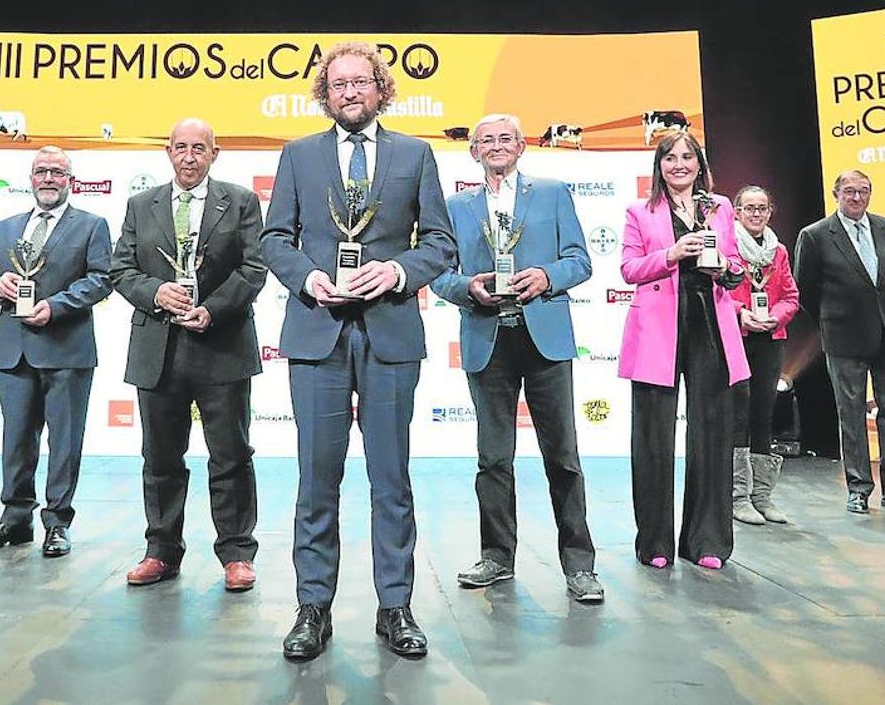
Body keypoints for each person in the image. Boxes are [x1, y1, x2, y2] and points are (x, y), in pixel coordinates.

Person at [260, 41, 455, 659]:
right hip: (317, 332)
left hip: (390, 334)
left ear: (380, 89)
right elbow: (274, 238)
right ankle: (313, 608)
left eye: (361, 82)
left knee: (390, 479)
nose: (349, 92)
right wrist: (305, 277)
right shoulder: (297, 156)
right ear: (325, 93)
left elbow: (441, 243)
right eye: (338, 84)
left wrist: (397, 272)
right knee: (317, 478)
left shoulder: (416, 155)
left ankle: (394, 607)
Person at [430, 113, 602, 602]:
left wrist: (547, 277)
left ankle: (579, 564)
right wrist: (468, 288)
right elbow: (439, 273)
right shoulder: (455, 205)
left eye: (506, 138)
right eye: (487, 140)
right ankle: (497, 557)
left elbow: (581, 261)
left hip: (544, 335)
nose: (497, 146)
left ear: (522, 146)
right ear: (474, 152)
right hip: (488, 339)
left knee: (563, 457)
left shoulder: (551, 193)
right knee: (493, 458)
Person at [109, 118, 266, 592]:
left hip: (221, 345)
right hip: (158, 348)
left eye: (200, 148)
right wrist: (157, 293)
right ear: (168, 152)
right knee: (159, 456)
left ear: (214, 153)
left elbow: (254, 267)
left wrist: (212, 310)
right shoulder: (141, 204)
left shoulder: (240, 200)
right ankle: (161, 550)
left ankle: (237, 553)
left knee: (231, 454)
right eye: (181, 147)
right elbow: (121, 269)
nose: (190, 156)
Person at [0, 146, 114, 557]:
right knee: (15, 439)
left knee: (65, 443)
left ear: (71, 180)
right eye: (40, 171)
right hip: (13, 350)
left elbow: (103, 279)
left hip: (66, 349)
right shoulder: (5, 227)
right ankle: (15, 519)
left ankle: (57, 523)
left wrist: (57, 306)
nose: (48, 178)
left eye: (57, 172)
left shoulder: (92, 225)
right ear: (30, 178)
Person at [617, 132, 749, 570]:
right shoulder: (641, 211)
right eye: (670, 158)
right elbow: (629, 268)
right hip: (659, 328)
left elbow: (735, 265)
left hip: (710, 323)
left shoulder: (721, 207)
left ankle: (707, 540)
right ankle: (654, 542)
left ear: (699, 163)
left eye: (687, 157)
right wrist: (670, 254)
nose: (679, 165)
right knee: (653, 435)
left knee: (712, 431)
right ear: (659, 166)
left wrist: (727, 267)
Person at [794, 170, 885, 515]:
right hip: (843, 336)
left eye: (864, 191)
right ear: (836, 194)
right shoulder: (815, 236)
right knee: (852, 415)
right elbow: (805, 290)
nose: (857, 198)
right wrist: (833, 318)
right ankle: (858, 488)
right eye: (850, 191)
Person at [728, 185, 799, 525]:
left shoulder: (779, 251)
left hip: (771, 337)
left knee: (763, 414)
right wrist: (741, 312)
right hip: (738, 337)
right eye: (749, 208)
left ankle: (762, 496)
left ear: (770, 212)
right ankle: (738, 496)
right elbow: (717, 292)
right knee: (738, 413)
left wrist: (777, 316)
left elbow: (791, 296)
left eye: (762, 208)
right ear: (737, 212)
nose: (756, 214)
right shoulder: (727, 247)